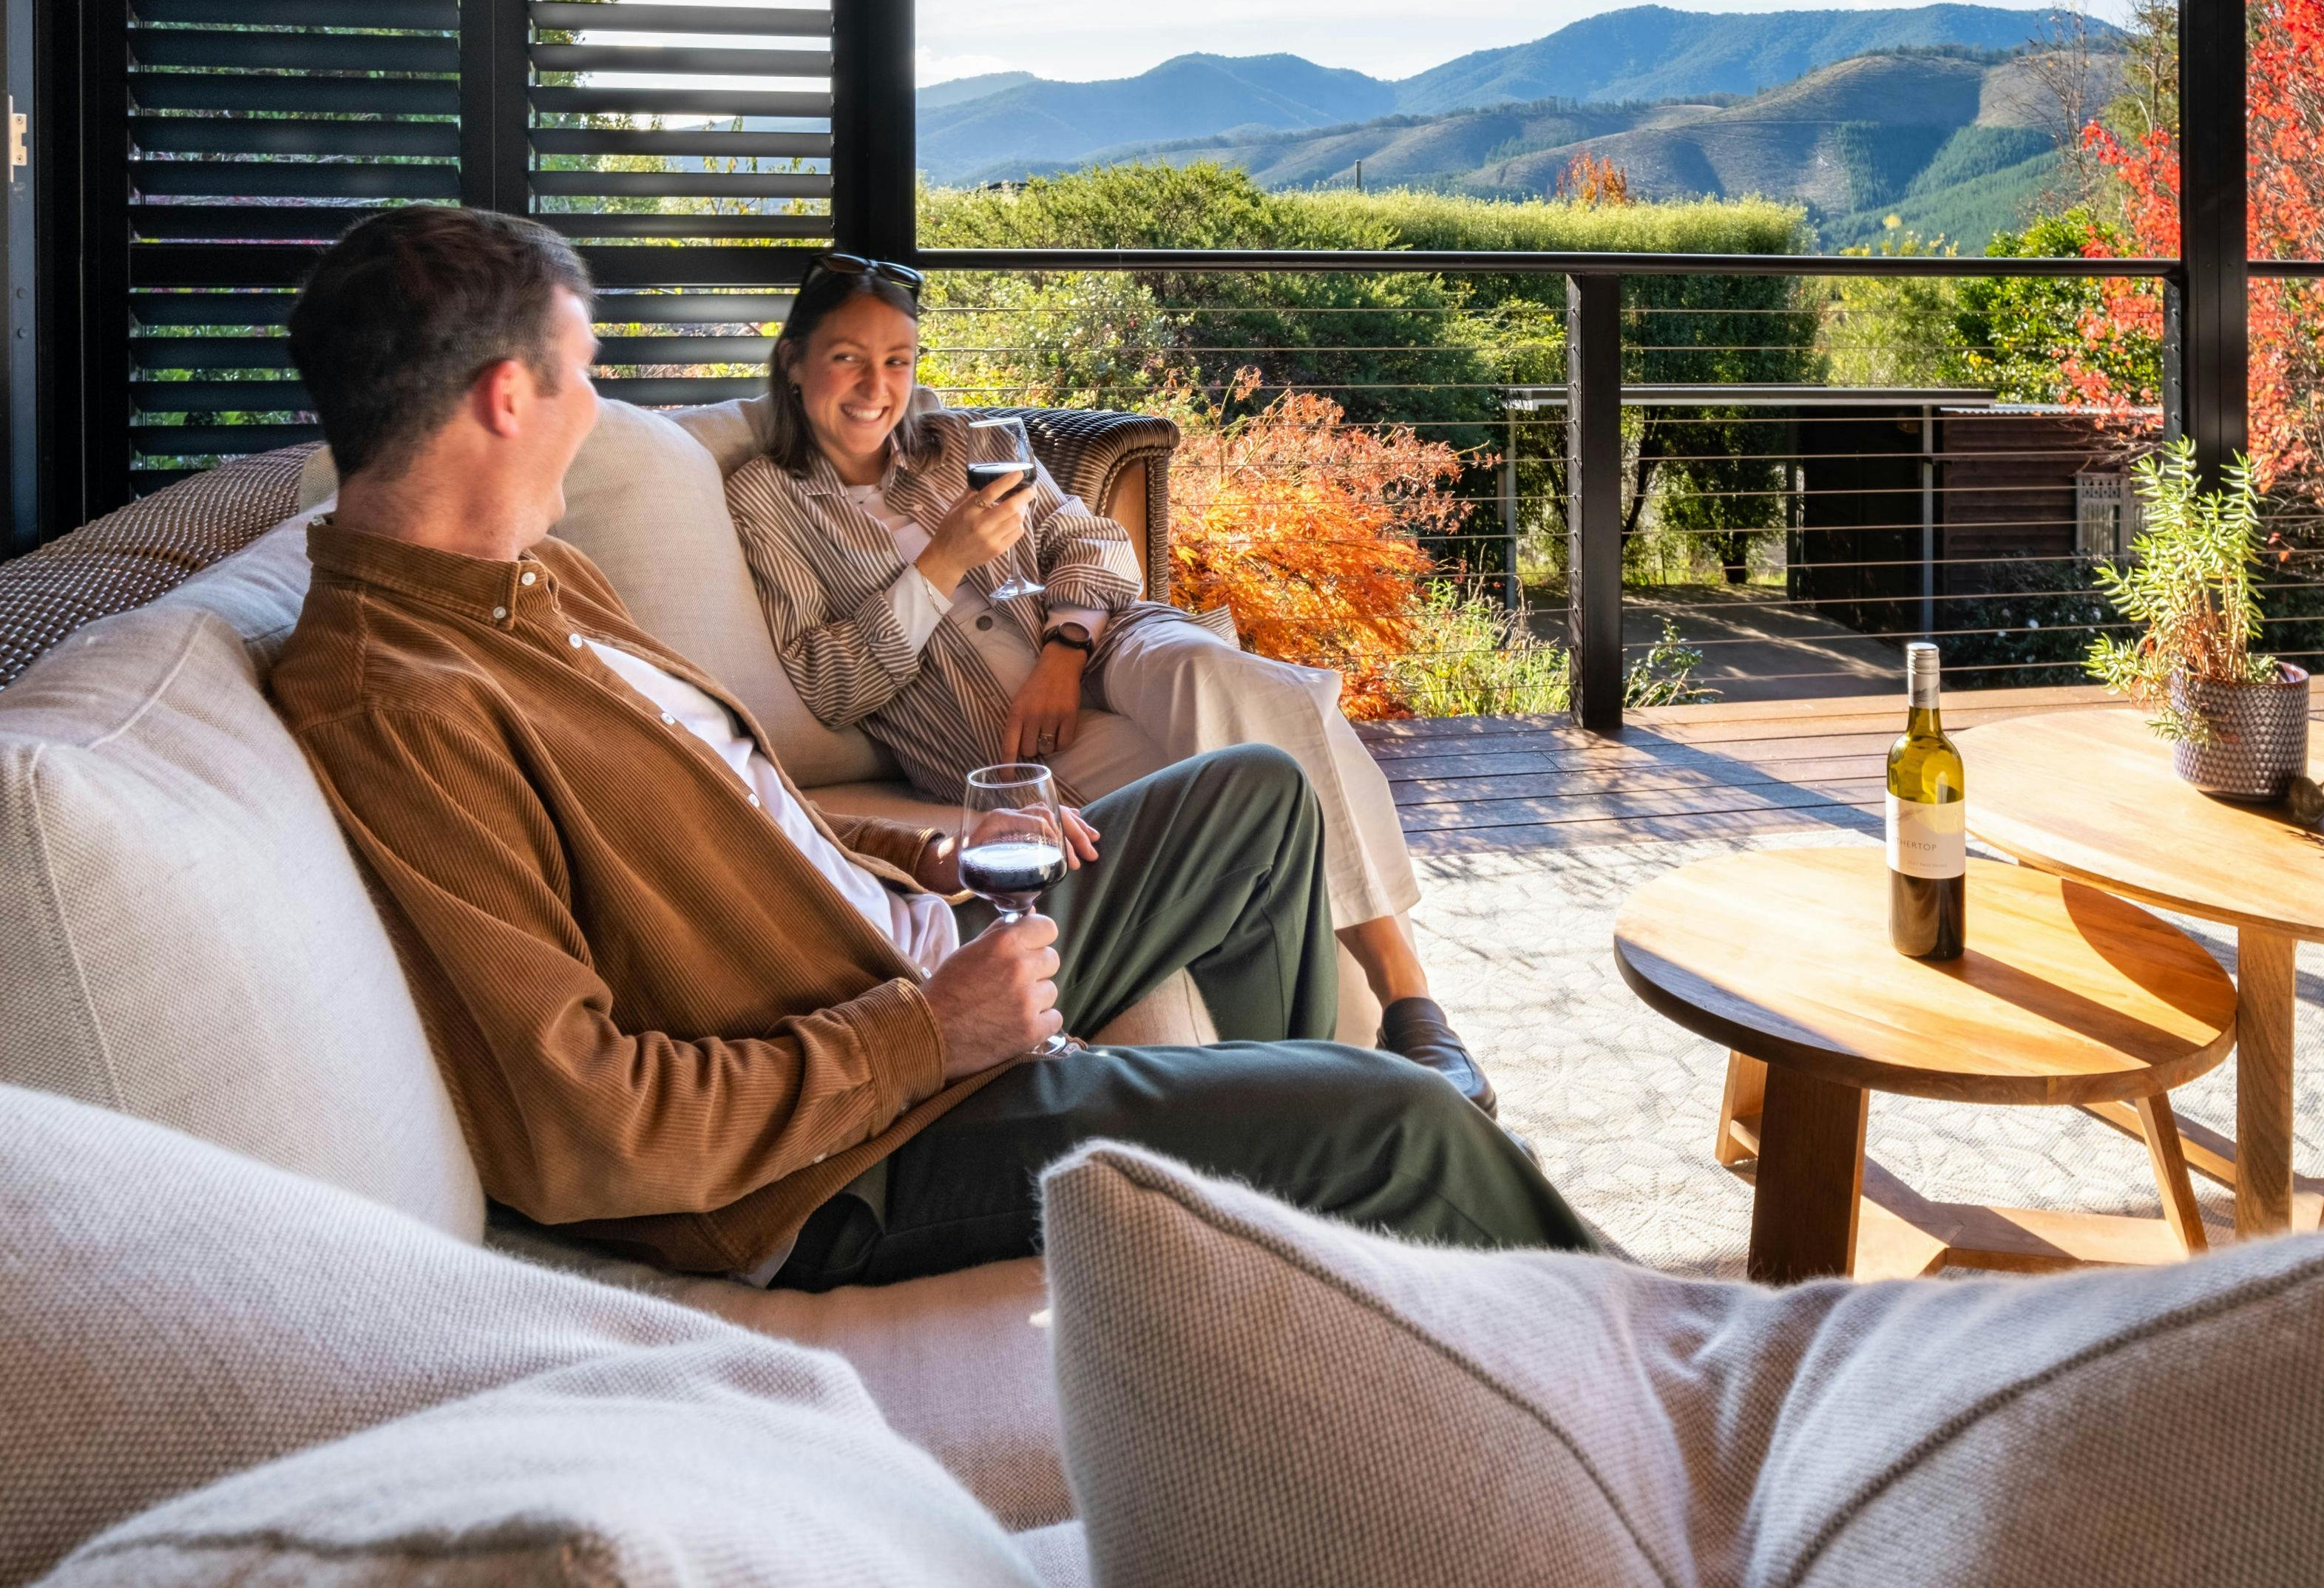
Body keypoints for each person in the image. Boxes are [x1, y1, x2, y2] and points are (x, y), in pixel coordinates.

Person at [265, 206, 1596, 1289]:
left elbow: (743, 810)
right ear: (510, 395)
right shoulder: (399, 702)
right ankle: (1684, 1399)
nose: (599, 405)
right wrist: (925, 1036)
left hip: (908, 945)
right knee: (1407, 1124)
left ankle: (1315, 1243)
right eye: (589, 369)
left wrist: (928, 851)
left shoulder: (539, 582)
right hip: (848, 1144)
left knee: (1253, 793)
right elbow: (584, 1128)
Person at [723, 254, 1499, 1113]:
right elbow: (830, 682)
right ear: (793, 360)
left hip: (1104, 639)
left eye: (898, 360)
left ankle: (1408, 1000)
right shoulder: (767, 499)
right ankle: (1382, 1064)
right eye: (848, 358)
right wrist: (942, 563)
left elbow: (1094, 544)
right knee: (1252, 757)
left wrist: (1062, 651)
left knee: (1224, 679)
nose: (877, 386)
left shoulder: (968, 443)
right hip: (1008, 735)